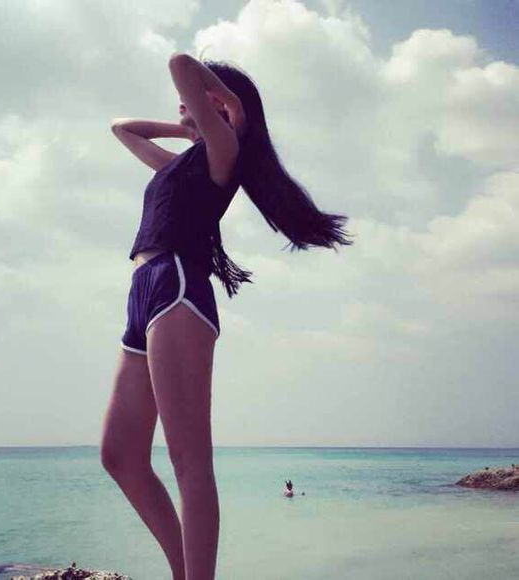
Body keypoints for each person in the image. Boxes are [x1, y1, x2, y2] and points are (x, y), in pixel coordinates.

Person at [101, 51, 354, 580]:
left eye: (189, 103)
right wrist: (186, 126)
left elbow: (179, 63)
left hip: (177, 286)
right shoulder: (183, 162)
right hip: (142, 289)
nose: (180, 103)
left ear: (216, 103)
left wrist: (230, 108)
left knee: (189, 462)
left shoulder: (224, 150)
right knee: (120, 455)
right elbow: (121, 128)